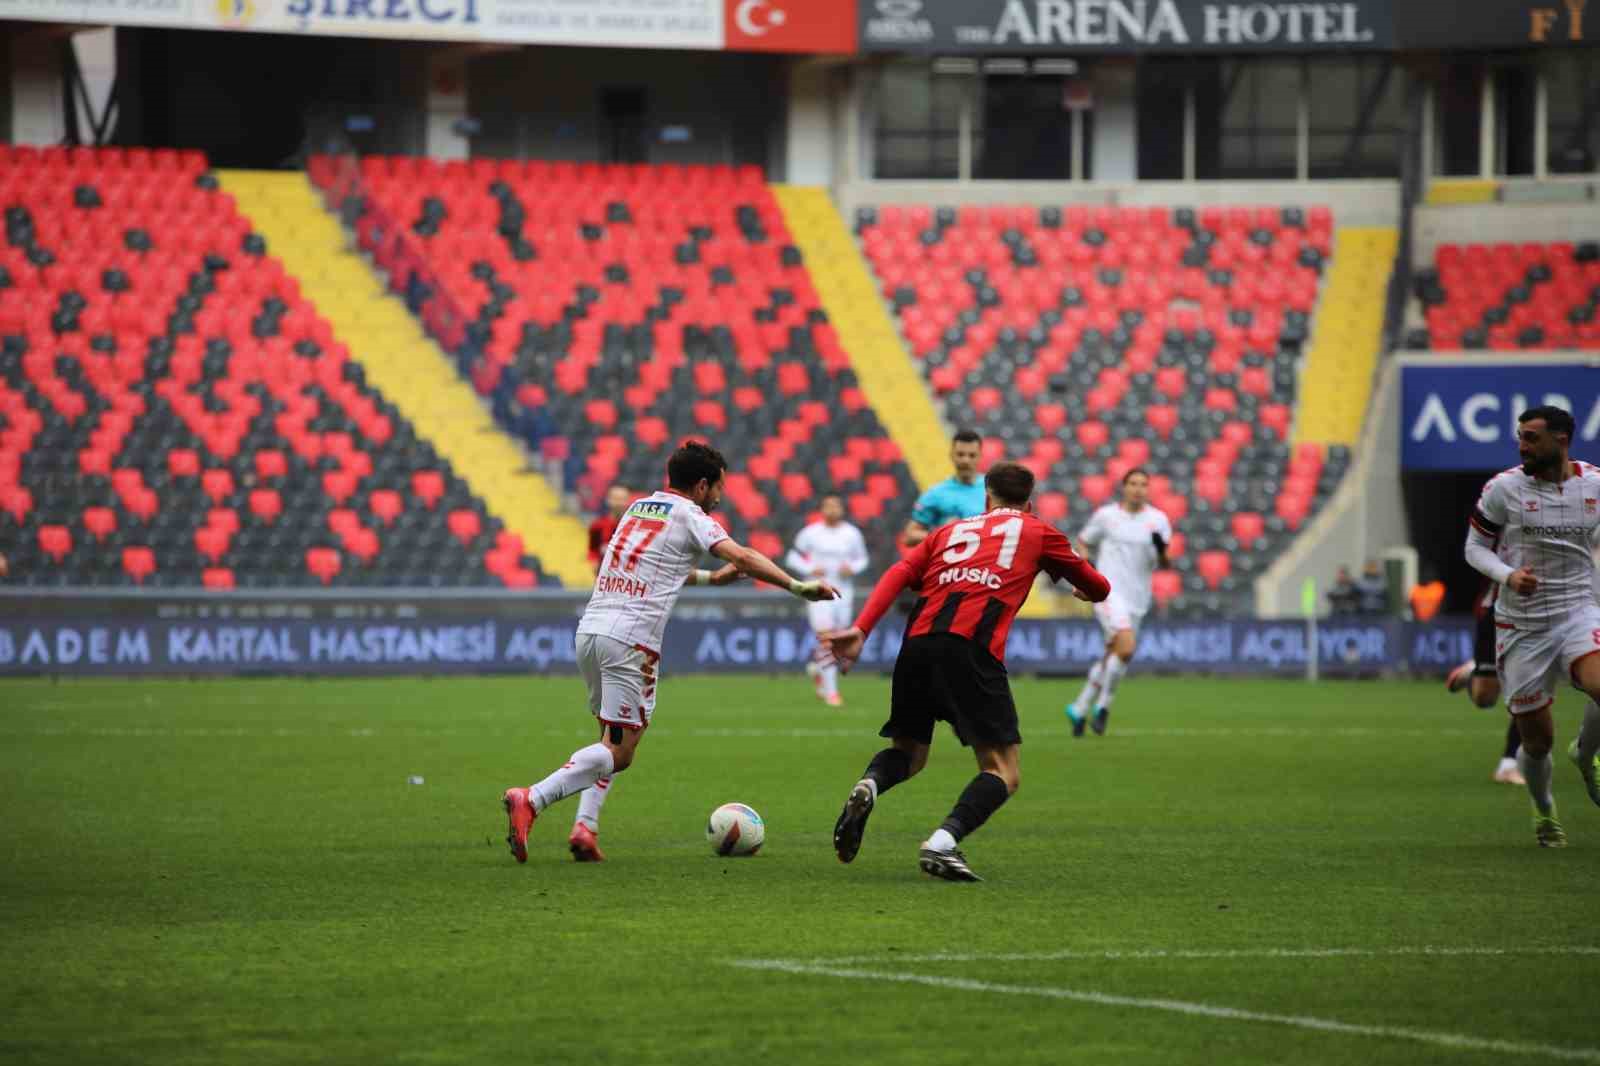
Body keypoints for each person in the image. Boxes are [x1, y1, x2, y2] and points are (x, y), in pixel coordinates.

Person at [503, 442, 837, 863]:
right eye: (718, 488)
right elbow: (744, 556)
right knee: (620, 752)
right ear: (702, 486)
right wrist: (798, 587)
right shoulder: (690, 515)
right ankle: (531, 799)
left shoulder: (638, 509)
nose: (719, 498)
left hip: (590, 632)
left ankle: (585, 827)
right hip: (630, 643)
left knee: (608, 739)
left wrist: (712, 581)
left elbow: (658, 565)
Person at [822, 462, 1111, 882]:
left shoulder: (949, 530)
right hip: (971, 649)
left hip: (917, 645)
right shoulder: (1039, 531)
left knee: (910, 753)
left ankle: (870, 784)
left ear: (987, 498)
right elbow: (1100, 587)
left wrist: (862, 629)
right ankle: (942, 843)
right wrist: (1084, 588)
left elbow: (901, 571)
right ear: (1029, 503)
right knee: (1003, 771)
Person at [1463, 405, 1600, 847]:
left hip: (1578, 611)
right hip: (1522, 625)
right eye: (1520, 437)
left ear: (1561, 440)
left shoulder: (1594, 484)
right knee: (1537, 743)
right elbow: (1474, 548)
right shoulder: (1504, 488)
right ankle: (1544, 810)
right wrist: (1508, 576)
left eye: (1531, 438)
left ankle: (1586, 754)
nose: (1522, 446)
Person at [1063, 468, 1172, 738]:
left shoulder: (1158, 520)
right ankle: (1103, 706)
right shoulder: (1107, 516)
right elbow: (1084, 541)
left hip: (1138, 597)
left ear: (1148, 489)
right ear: (1124, 487)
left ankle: (1079, 707)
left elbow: (1166, 564)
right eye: (1133, 483)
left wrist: (1160, 549)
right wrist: (1086, 570)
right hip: (1108, 593)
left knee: (1116, 653)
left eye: (1143, 484)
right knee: (1126, 647)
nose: (1138, 488)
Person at [785, 495, 869, 707]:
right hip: (818, 590)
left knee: (838, 640)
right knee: (826, 638)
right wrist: (810, 568)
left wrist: (852, 568)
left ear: (842, 509)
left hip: (844, 592)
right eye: (828, 506)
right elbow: (792, 557)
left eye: (836, 506)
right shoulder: (810, 533)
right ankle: (832, 693)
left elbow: (862, 559)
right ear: (821, 509)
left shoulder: (852, 533)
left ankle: (818, 669)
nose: (832, 510)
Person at [1445, 579, 1525, 786]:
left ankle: (1508, 765)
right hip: (1498, 613)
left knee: (1526, 690)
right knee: (1485, 698)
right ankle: (1473, 671)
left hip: (1545, 618)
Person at [901, 429, 986, 548]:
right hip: (952, 558)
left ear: (980, 456)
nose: (966, 460)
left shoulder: (993, 489)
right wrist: (942, 533)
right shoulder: (935, 494)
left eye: (972, 455)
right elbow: (909, 537)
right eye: (960, 454)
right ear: (951, 455)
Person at [587, 483, 632, 573]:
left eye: (623, 499)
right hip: (604, 573)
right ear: (608, 500)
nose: (619, 503)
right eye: (616, 499)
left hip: (626, 574)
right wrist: (594, 563)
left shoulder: (633, 526)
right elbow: (593, 549)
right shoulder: (598, 525)